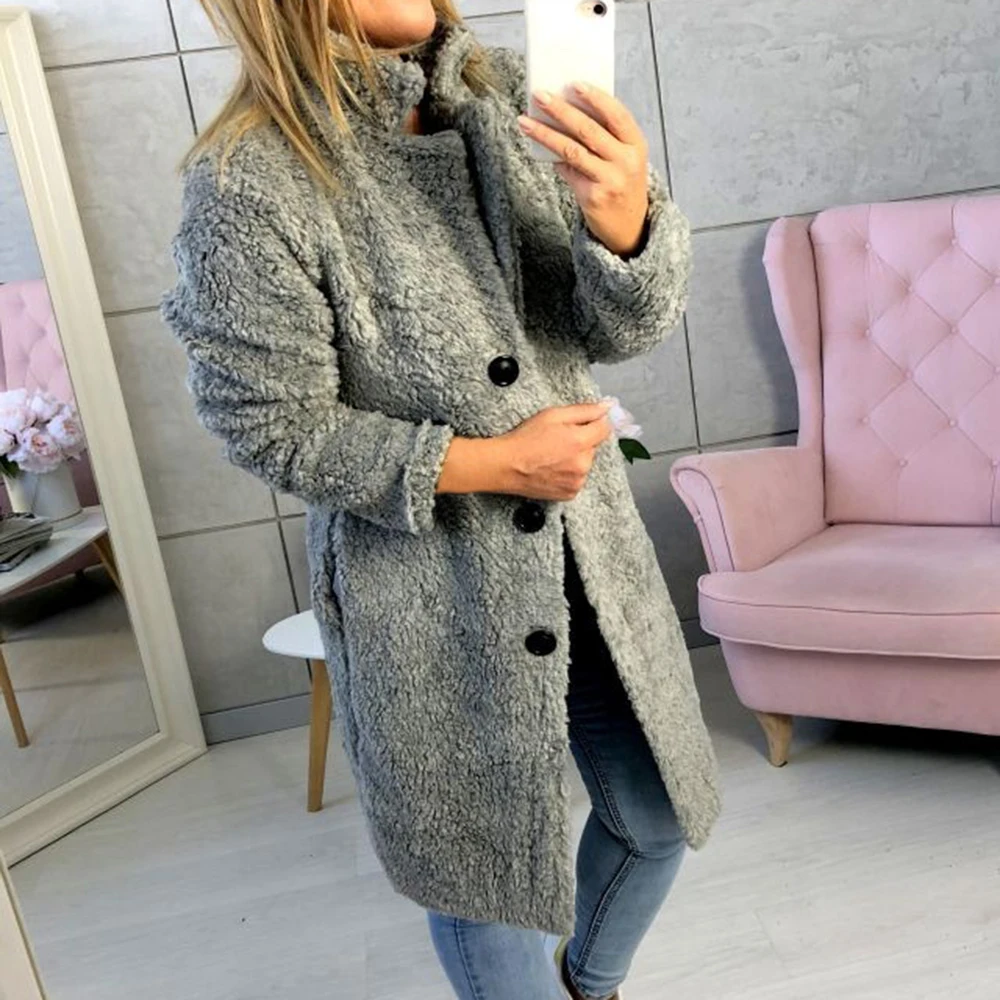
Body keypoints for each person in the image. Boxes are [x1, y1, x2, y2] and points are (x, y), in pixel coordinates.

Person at [162, 2, 720, 997]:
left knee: (657, 814)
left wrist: (624, 222)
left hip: (586, 557)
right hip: (429, 592)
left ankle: (586, 985)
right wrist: (492, 463)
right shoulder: (249, 177)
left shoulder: (509, 91)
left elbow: (613, 329)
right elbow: (267, 423)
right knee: (483, 880)